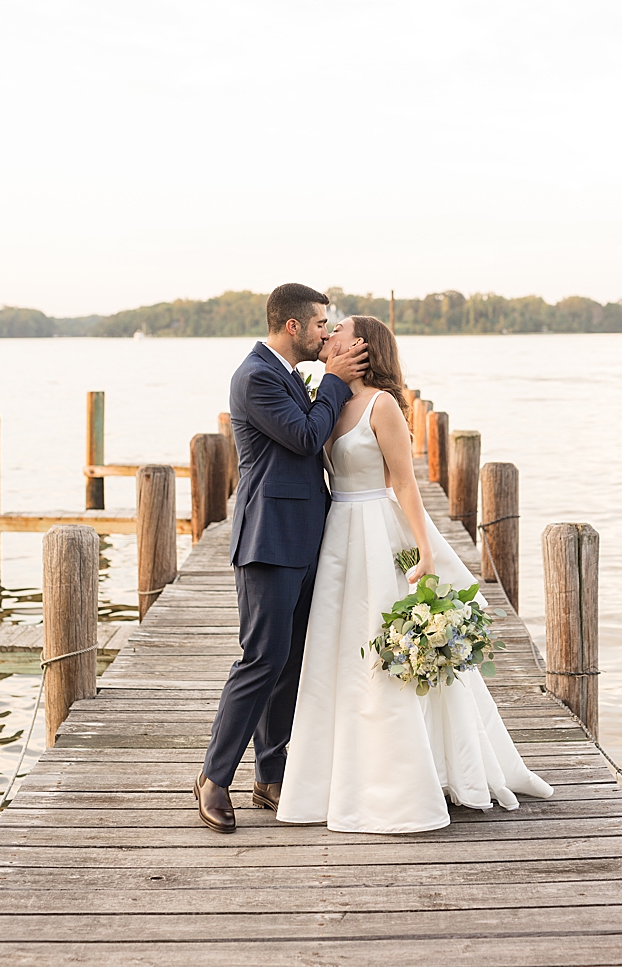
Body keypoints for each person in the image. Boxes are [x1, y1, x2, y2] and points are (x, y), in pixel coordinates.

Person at [275, 314, 552, 833]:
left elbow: (405, 485)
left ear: (361, 344)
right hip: (338, 533)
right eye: (326, 328)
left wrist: (423, 552)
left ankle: (403, 780)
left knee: (383, 646)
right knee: (335, 651)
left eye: (338, 330)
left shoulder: (383, 406)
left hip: (380, 531)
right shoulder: (328, 400)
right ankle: (331, 782)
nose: (328, 334)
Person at [195, 284, 370, 833]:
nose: (327, 330)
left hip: (305, 537)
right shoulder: (256, 376)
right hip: (269, 540)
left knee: (291, 661)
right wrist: (339, 382)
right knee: (261, 658)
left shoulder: (290, 374)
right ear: (293, 326)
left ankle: (270, 776)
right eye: (321, 322)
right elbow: (302, 436)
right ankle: (212, 779)